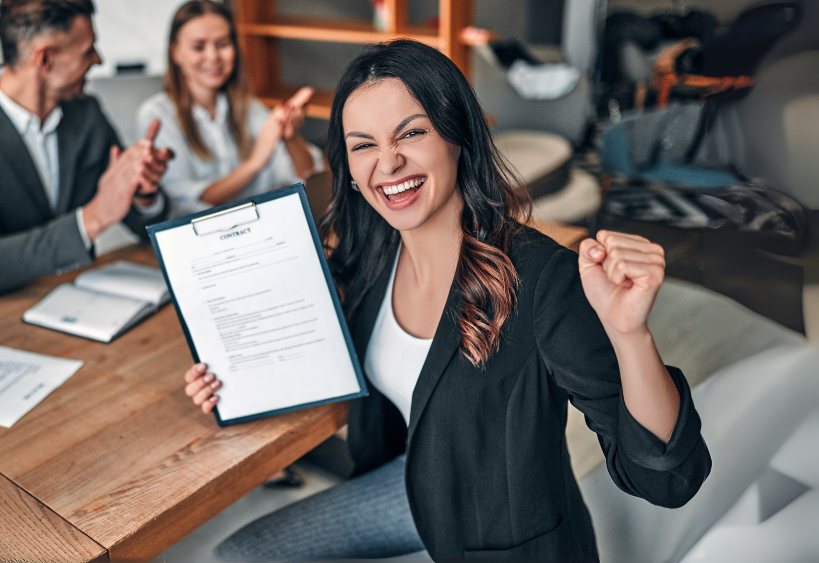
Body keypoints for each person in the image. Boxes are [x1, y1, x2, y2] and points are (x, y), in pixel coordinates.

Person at [183, 40, 712, 561]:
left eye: (410, 133)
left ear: (458, 135)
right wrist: (229, 374)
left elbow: (666, 481)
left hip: (503, 531)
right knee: (239, 554)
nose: (387, 163)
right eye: (363, 144)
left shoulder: (541, 278)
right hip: (417, 489)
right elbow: (310, 344)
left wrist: (629, 334)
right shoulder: (371, 253)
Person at [0, 0, 173, 294]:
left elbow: (141, 222)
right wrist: (92, 218)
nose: (98, 60)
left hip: (83, 300)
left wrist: (143, 191)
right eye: (88, 51)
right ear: (45, 59)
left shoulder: (86, 114)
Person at [136, 0, 323, 218]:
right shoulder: (156, 115)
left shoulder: (250, 108)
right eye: (199, 47)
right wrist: (255, 162)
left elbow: (309, 176)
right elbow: (186, 204)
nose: (213, 57)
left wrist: (291, 139)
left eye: (222, 44)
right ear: (175, 53)